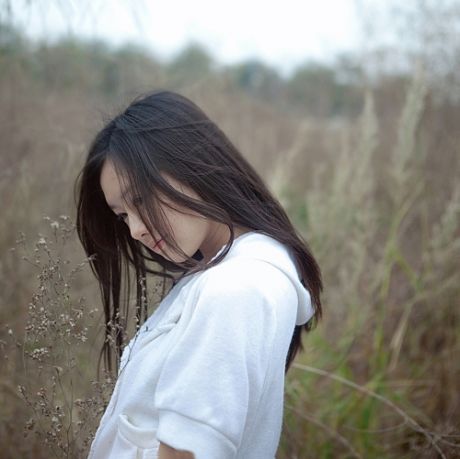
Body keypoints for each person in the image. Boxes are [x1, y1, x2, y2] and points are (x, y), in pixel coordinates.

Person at [75, 89, 323, 459]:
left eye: (141, 199)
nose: (135, 230)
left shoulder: (233, 289)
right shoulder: (247, 267)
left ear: (193, 165)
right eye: (123, 215)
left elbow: (188, 451)